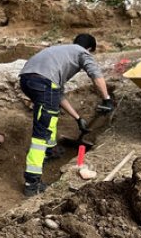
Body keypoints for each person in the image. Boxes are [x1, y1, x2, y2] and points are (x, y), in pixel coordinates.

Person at [19, 34, 114, 197]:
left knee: (50, 116)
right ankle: (32, 183)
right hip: (43, 84)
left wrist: (78, 118)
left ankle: (49, 152)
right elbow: (95, 74)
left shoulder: (59, 52)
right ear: (90, 49)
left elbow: (58, 96)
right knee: (41, 135)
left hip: (27, 80)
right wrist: (107, 98)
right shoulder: (82, 52)